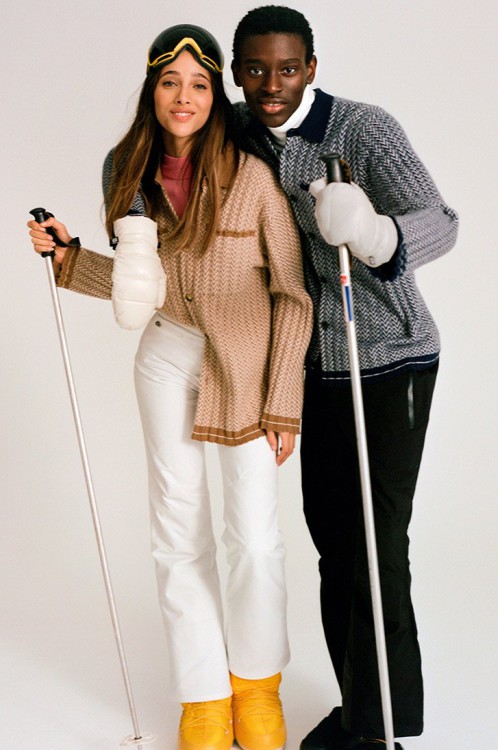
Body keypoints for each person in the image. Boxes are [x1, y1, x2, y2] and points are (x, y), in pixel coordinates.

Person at [27, 23, 313, 750]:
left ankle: (256, 686)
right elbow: (142, 286)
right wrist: (68, 258)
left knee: (254, 538)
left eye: (198, 83)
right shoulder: (127, 172)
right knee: (177, 534)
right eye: (169, 82)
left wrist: (284, 401)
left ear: (216, 95)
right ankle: (204, 697)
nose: (183, 96)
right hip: (166, 359)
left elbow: (293, 294)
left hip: (246, 369)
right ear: (151, 90)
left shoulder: (252, 177)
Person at [230, 6, 459, 750]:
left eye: (287, 68)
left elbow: (440, 219)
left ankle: (381, 725)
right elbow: (158, 155)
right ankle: (360, 704)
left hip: (389, 357)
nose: (272, 84)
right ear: (237, 72)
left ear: (311, 69)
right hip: (310, 367)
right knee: (335, 545)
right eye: (256, 69)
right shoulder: (233, 135)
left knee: (376, 546)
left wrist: (374, 231)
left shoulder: (363, 129)